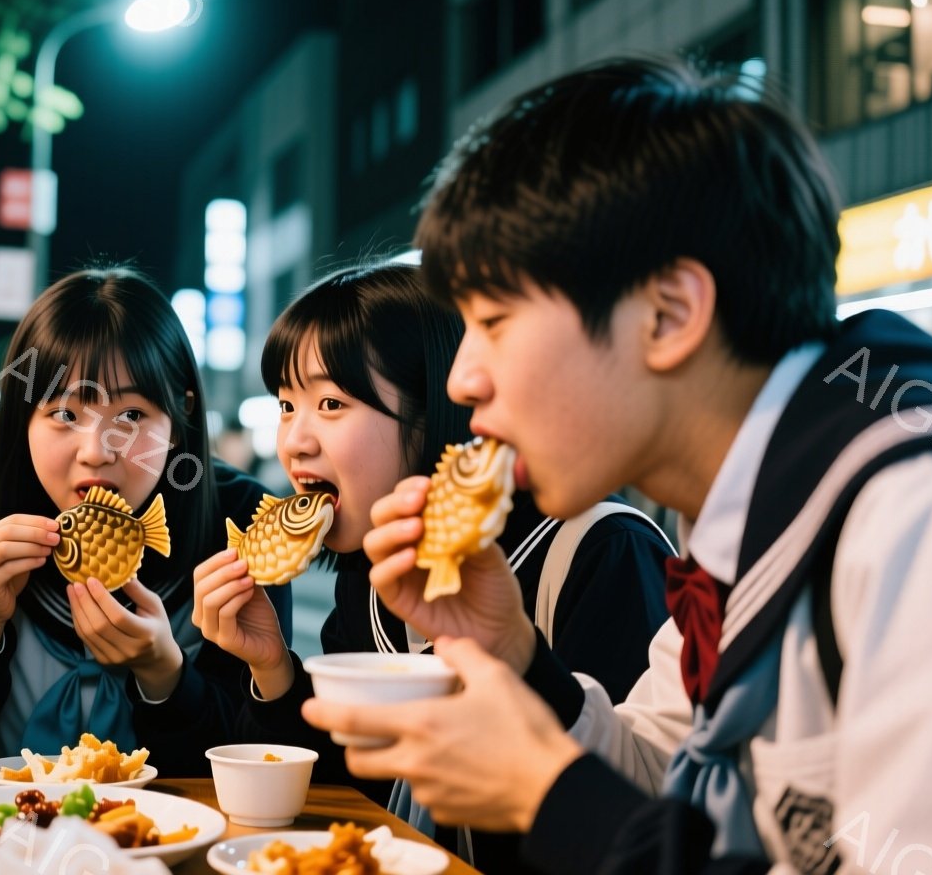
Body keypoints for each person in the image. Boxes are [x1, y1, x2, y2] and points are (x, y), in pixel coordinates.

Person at [303, 57, 932, 874]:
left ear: (669, 314)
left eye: (495, 319)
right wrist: (517, 657)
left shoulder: (918, 521)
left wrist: (551, 797)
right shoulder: (734, 514)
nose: (464, 380)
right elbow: (670, 775)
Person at [184, 261, 672, 871]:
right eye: (286, 405)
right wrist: (272, 664)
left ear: (435, 411)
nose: (294, 441)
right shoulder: (368, 574)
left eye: (331, 402)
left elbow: (625, 818)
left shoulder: (599, 551)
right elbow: (351, 801)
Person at [0, 267, 291, 778]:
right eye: (66, 415)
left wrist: (165, 673)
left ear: (181, 418)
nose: (97, 452)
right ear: (23, 416)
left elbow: (265, 763)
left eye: (133, 417)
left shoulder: (241, 525)